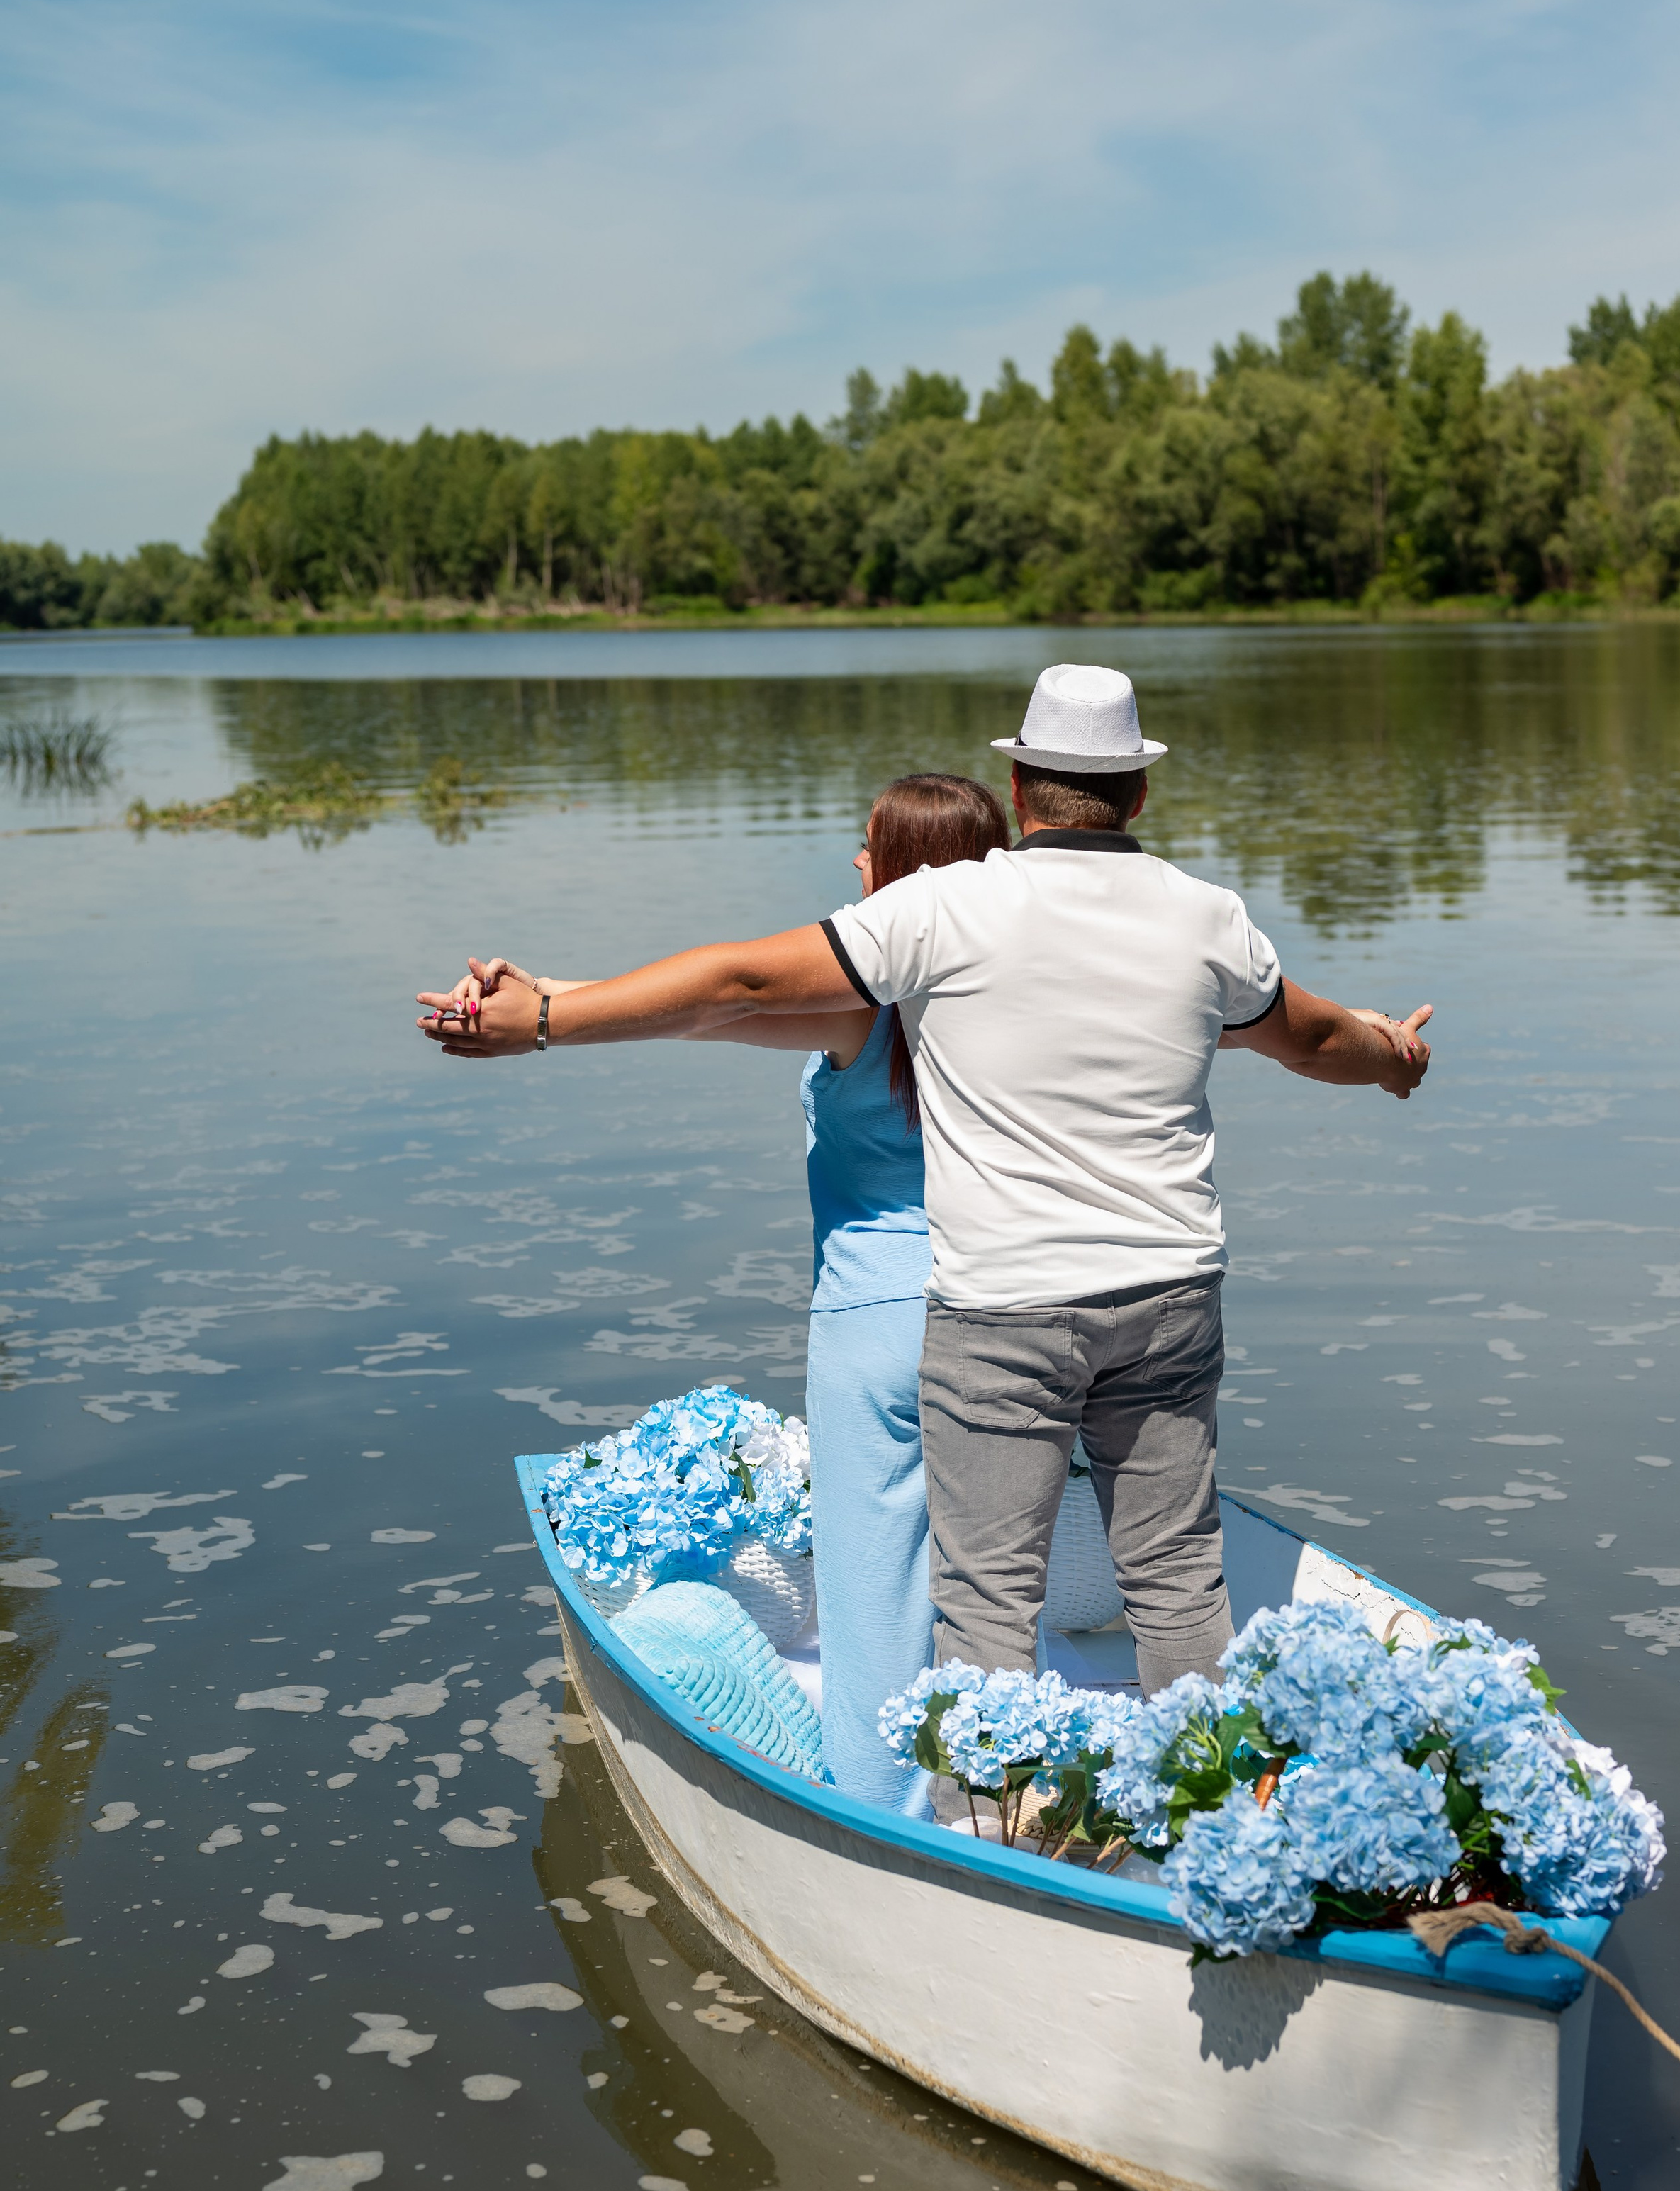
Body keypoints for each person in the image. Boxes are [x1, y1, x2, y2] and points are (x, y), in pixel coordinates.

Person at [417, 663, 1432, 1704]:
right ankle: (1227, 1808)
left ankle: (977, 1823)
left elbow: (734, 988)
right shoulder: (1205, 915)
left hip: (998, 1311)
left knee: (982, 1604)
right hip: (1170, 1296)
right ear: (1137, 794)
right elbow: (1312, 1038)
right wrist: (1391, 1053)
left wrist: (542, 1017)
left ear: (1024, 786)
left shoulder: (940, 915)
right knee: (1177, 1585)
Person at [425, 775, 1009, 1810]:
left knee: (875, 1600)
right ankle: (1023, 1790)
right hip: (1016, 1315)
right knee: (996, 1584)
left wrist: (547, 1019)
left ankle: (891, 1821)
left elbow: (716, 1005)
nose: (857, 866)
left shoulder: (861, 1002)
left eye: (870, 850)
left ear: (903, 875)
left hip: (878, 1333)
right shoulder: (1022, 993)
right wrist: (555, 989)